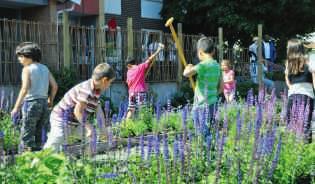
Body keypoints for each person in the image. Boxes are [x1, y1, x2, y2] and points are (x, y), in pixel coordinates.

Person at [43, 63, 115, 152]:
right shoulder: (87, 90)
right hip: (61, 119)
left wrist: (103, 128)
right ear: (104, 80)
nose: (109, 86)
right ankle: (37, 163)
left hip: (76, 122)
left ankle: (87, 161)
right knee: (54, 144)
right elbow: (78, 112)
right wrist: (88, 127)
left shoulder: (97, 90)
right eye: (110, 82)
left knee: (92, 136)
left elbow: (98, 109)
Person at [11, 42, 58, 151]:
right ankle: (40, 159)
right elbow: (55, 86)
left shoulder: (27, 69)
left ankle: (24, 159)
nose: (19, 59)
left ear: (28, 57)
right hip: (44, 104)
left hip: (31, 104)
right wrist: (50, 100)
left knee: (27, 134)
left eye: (20, 56)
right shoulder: (45, 68)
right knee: (41, 133)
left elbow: (25, 88)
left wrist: (16, 107)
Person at [183, 36, 223, 117]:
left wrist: (188, 67)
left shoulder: (202, 65)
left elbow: (186, 74)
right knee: (212, 127)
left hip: (201, 105)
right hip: (213, 104)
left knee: (201, 128)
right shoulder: (217, 66)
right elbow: (221, 87)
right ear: (213, 51)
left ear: (200, 52)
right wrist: (213, 95)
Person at [285, 38, 314, 143]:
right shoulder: (309, 60)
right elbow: (314, 78)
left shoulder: (289, 63)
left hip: (292, 95)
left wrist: (293, 88)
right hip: (307, 95)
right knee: (306, 123)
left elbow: (287, 80)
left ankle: (291, 144)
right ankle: (305, 147)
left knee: (291, 121)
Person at [126, 43, 164, 119]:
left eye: (127, 66)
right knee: (142, 110)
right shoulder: (140, 67)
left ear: (129, 65)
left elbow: (128, 83)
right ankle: (142, 127)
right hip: (140, 92)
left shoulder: (128, 72)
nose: (127, 68)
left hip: (131, 93)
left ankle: (126, 126)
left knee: (131, 110)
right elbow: (150, 59)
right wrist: (159, 50)